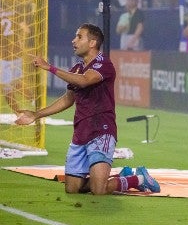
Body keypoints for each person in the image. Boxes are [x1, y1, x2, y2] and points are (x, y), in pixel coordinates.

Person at [15, 23, 160, 195]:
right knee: (72, 189)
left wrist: (50, 67)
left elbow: (85, 80)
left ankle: (139, 179)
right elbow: (68, 99)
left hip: (101, 131)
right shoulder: (77, 68)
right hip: (80, 134)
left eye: (79, 37)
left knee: (98, 190)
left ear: (92, 43)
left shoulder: (103, 64)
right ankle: (116, 176)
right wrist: (36, 115)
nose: (73, 40)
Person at [0, 6, 33, 114]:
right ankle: (33, 101)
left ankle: (19, 114)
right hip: (17, 54)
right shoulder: (15, 13)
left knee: (7, 89)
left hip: (4, 56)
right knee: (16, 83)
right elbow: (27, 30)